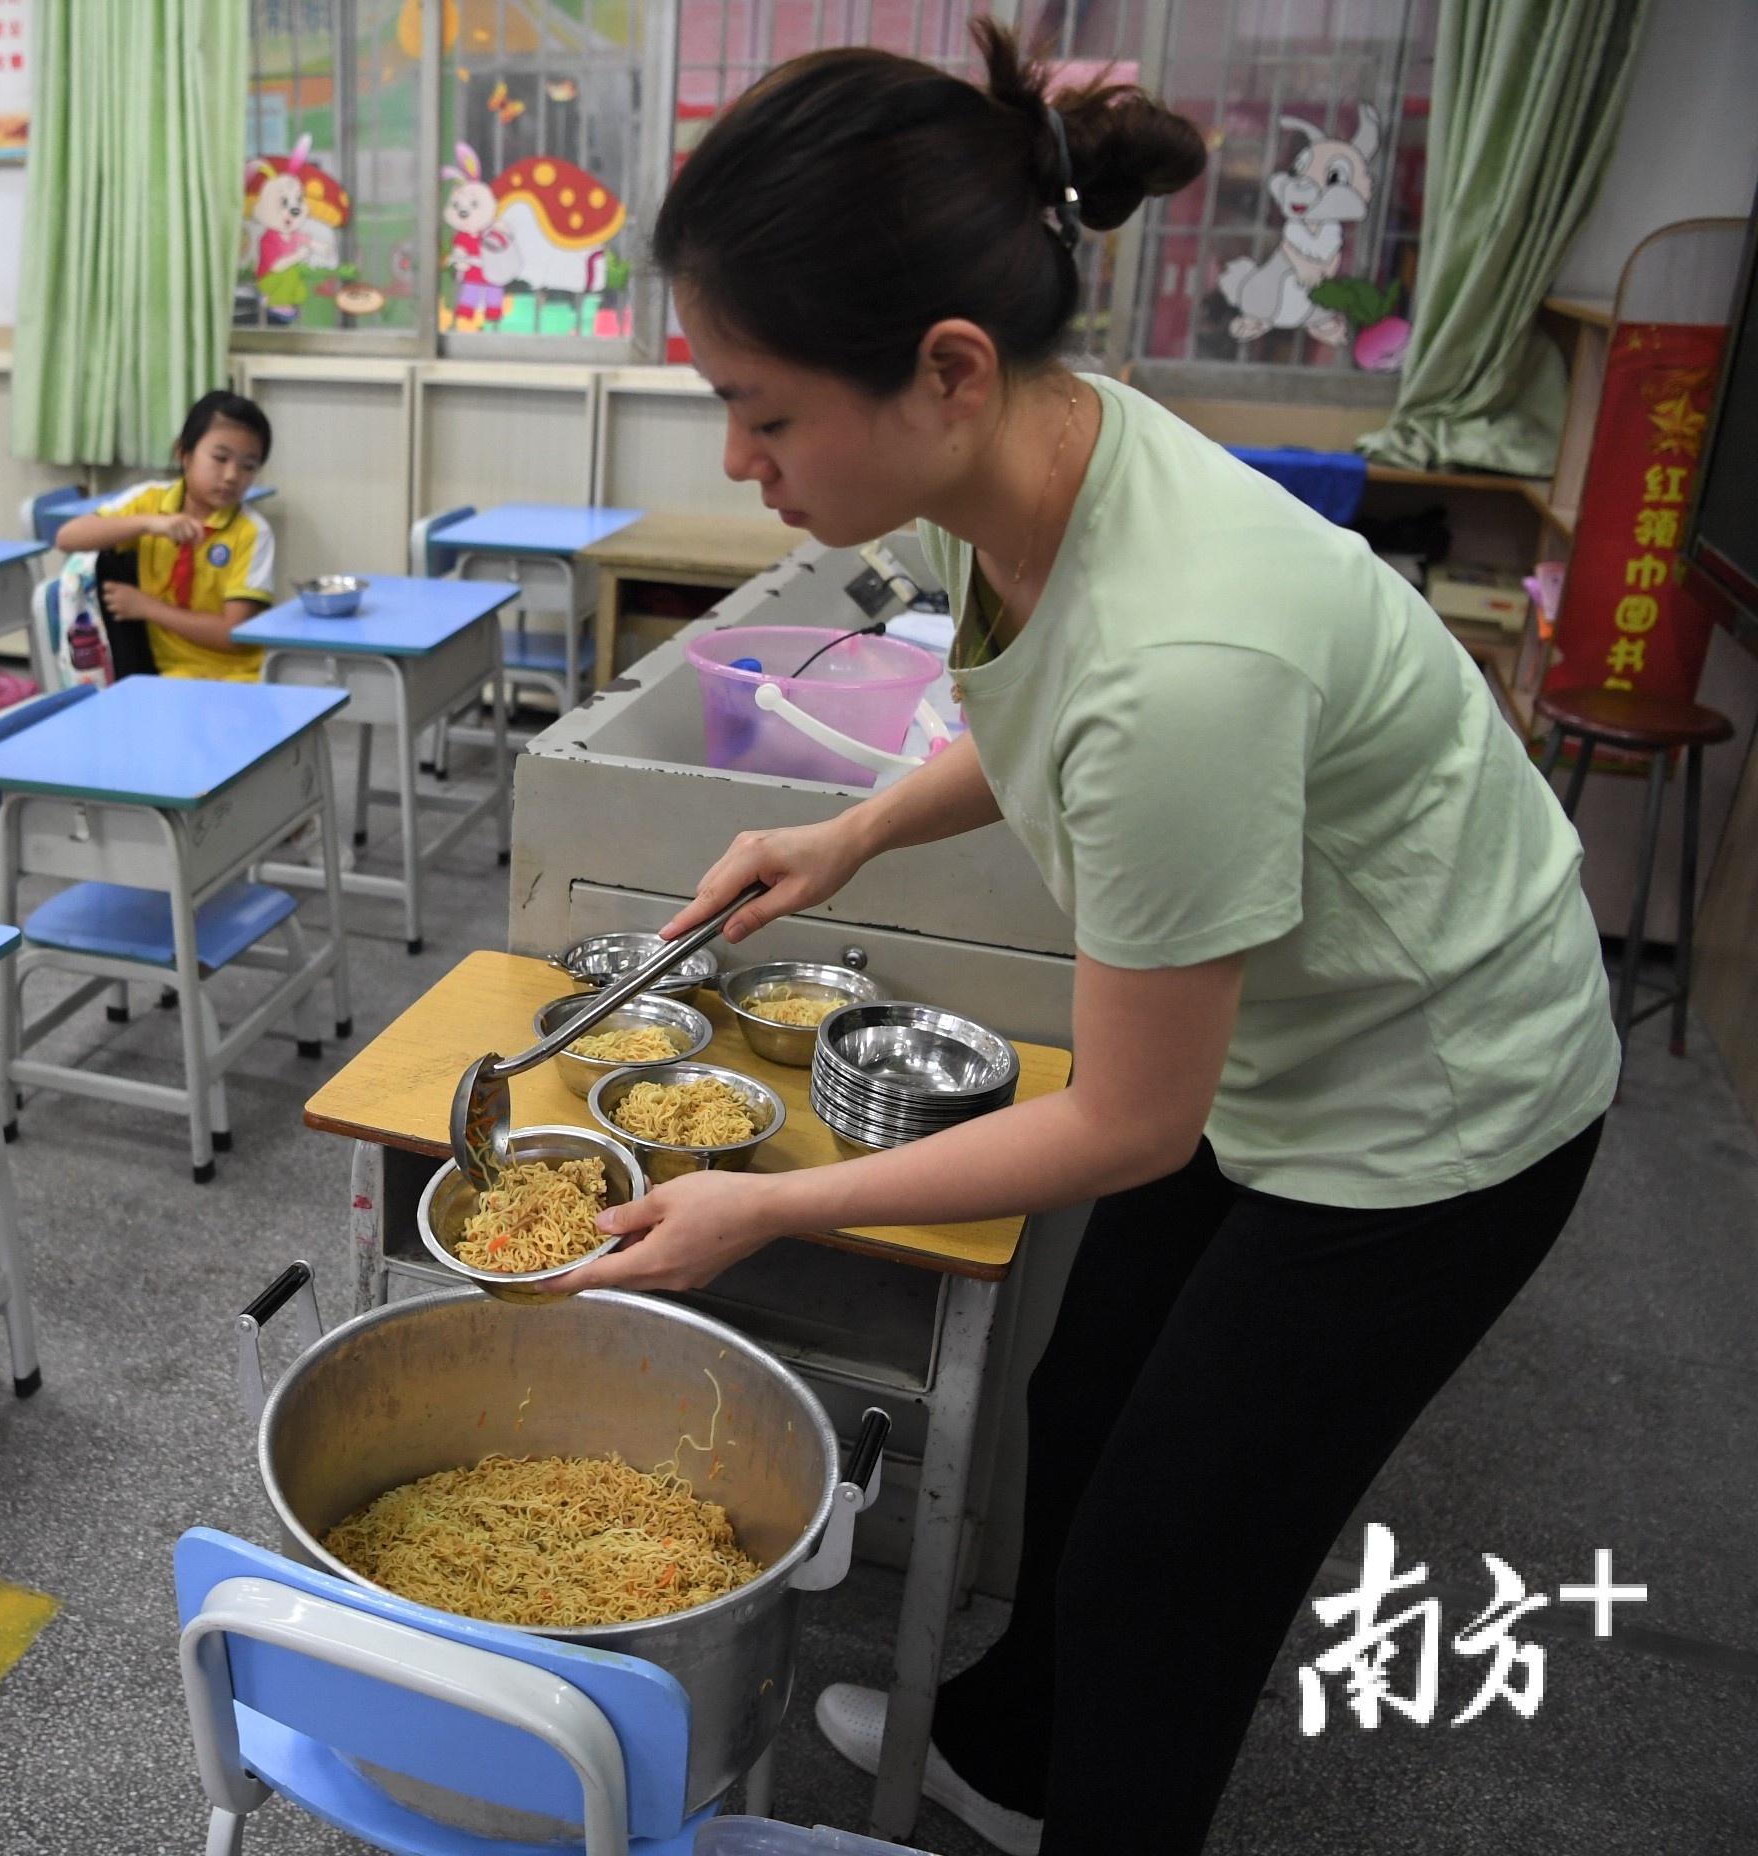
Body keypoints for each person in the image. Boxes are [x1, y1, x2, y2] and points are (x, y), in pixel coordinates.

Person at [557, 24, 1618, 1856]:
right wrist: (849, 827)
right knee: (1085, 1384)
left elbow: (1126, 1115)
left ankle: (1095, 1800)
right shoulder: (1035, 469)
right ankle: (1005, 1742)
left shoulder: (1177, 661)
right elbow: (1029, 716)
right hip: (1290, 1033)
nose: (739, 462)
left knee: (1169, 1561)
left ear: (945, 370)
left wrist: (767, 1204)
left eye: (767, 410)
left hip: (1436, 1111)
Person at [50, 391, 277, 681]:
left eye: (249, 466)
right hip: (171, 675)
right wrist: (147, 524)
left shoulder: (252, 532)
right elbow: (68, 538)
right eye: (220, 458)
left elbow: (232, 635)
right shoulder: (149, 501)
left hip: (239, 675)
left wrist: (148, 608)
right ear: (183, 453)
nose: (232, 476)